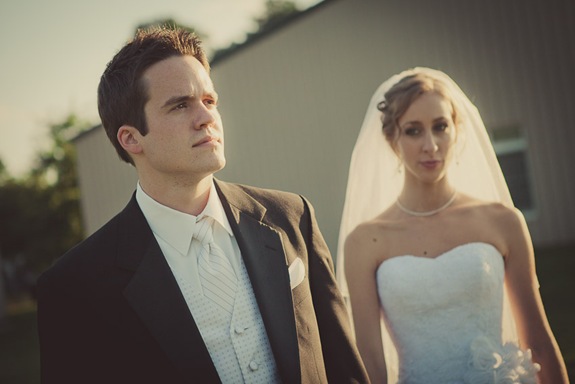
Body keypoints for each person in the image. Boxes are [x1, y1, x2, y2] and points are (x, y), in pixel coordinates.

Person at [36, 27, 368, 384]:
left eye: (209, 101)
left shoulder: (291, 216)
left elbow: (344, 367)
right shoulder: (75, 286)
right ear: (131, 138)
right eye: (180, 105)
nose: (206, 117)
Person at [337, 67, 569, 384]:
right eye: (413, 130)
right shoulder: (366, 241)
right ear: (392, 138)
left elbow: (538, 344)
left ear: (456, 131)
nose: (430, 145)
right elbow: (371, 364)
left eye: (440, 126)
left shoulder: (503, 221)